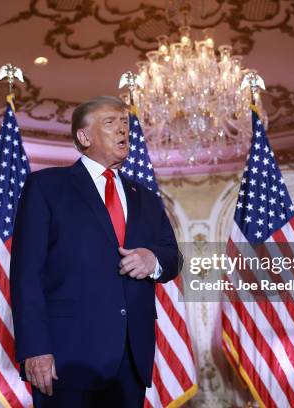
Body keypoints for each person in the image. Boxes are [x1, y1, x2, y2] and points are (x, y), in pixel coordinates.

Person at [10, 95, 181, 408]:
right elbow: (26, 275)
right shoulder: (46, 186)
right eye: (111, 123)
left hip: (130, 360)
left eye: (125, 124)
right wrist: (34, 348)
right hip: (65, 358)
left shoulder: (145, 197)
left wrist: (152, 259)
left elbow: (173, 257)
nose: (123, 131)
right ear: (84, 136)